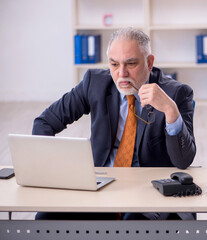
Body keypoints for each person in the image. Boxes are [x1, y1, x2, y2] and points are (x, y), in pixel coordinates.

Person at [33, 27, 196, 220]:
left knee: (130, 224)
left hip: (150, 193)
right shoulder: (95, 83)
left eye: (131, 63)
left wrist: (170, 110)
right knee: (46, 218)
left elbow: (183, 161)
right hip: (103, 187)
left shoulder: (176, 94)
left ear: (149, 62)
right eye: (114, 64)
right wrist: (57, 169)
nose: (121, 74)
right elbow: (44, 122)